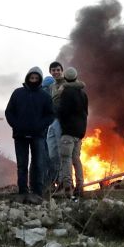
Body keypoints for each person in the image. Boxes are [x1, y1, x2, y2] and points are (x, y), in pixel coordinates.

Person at [5, 67, 55, 201]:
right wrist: (16, 125)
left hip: (38, 135)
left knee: (38, 163)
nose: (33, 80)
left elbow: (50, 115)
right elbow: (9, 112)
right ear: (27, 78)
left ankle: (37, 192)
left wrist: (41, 126)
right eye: (31, 78)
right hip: (20, 135)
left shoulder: (45, 96)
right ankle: (22, 191)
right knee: (22, 164)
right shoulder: (18, 93)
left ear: (39, 80)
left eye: (36, 78)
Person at [54, 67, 88, 198]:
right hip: (79, 132)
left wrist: (59, 94)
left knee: (66, 159)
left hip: (68, 131)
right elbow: (86, 113)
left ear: (66, 78)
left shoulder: (66, 92)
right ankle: (80, 187)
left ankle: (67, 188)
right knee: (76, 159)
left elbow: (61, 110)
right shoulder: (83, 93)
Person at [44, 61, 64, 191]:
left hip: (61, 122)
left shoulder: (66, 85)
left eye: (57, 70)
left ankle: (64, 183)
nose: (55, 72)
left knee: (62, 154)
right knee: (52, 155)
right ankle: (55, 182)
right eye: (53, 70)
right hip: (51, 122)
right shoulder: (51, 87)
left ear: (61, 70)